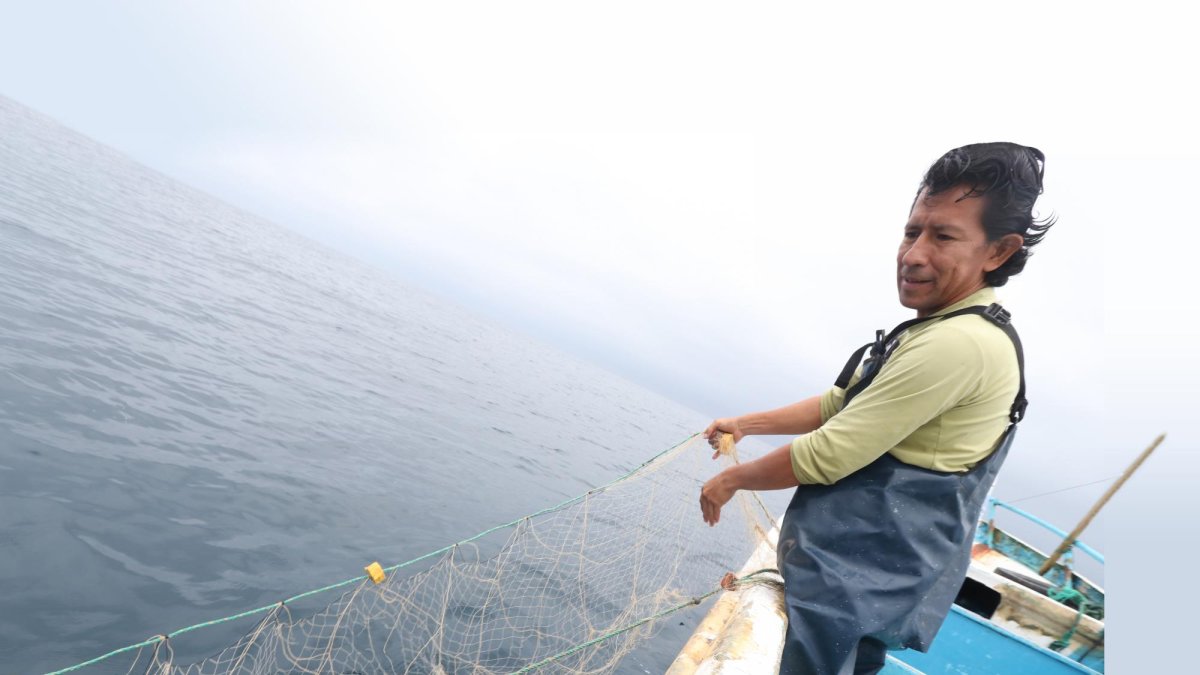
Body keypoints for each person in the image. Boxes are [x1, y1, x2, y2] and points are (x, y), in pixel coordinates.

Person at [698, 142, 1054, 675]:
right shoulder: (938, 328)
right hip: (850, 585)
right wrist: (746, 425)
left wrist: (730, 481)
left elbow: (830, 452)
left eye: (944, 236)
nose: (914, 253)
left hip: (852, 588)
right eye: (913, 231)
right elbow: (842, 404)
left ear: (998, 252)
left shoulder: (959, 344)